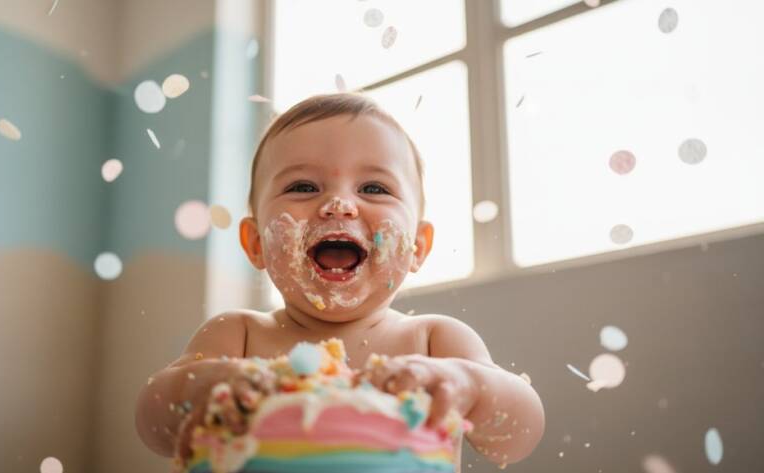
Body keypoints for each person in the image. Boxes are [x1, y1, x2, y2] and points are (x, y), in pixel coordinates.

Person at [135, 93, 544, 470]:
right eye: (303, 186)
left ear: (418, 246)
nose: (338, 205)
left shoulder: (434, 343)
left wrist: (468, 384)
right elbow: (151, 423)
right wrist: (196, 391)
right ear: (257, 243)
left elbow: (516, 439)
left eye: (373, 187)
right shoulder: (237, 336)